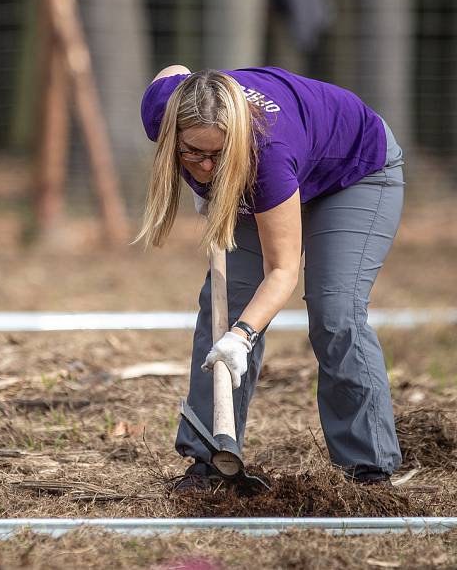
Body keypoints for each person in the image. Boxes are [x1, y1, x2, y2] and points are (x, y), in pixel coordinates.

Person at [138, 65, 404, 490]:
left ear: (237, 141)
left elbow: (282, 271)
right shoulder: (166, 109)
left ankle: (368, 468)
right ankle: (211, 456)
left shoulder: (268, 154)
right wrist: (202, 182)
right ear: (172, 132)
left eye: (217, 155)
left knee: (335, 309)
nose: (206, 166)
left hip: (354, 173)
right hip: (267, 168)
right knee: (225, 305)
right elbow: (175, 71)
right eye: (194, 153)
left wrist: (242, 337)